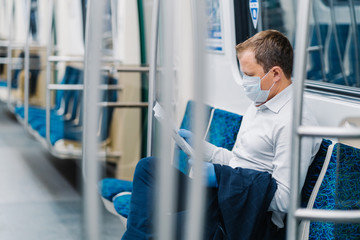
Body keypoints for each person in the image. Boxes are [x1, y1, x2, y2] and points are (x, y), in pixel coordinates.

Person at [122, 30, 321, 240]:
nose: (245, 82)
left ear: (275, 74)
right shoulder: (260, 104)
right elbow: (239, 163)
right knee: (148, 169)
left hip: (245, 216)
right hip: (223, 197)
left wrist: (220, 177)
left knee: (156, 228)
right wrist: (204, 150)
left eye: (250, 75)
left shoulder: (293, 122)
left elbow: (284, 199)